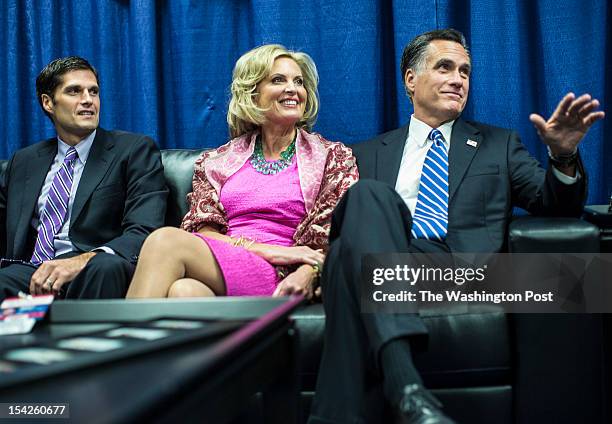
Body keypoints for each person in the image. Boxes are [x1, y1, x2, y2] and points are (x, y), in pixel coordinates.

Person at [308, 29, 604, 424]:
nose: (458, 79)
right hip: (395, 265)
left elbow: (556, 204)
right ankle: (407, 390)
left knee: (350, 258)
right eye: (444, 67)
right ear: (410, 80)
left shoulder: (498, 145)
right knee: (363, 209)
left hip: (467, 272)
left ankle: (362, 401)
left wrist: (563, 155)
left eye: (465, 71)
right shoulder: (363, 153)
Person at [126, 44, 358, 299]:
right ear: (252, 93)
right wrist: (266, 250)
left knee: (164, 242)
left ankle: (119, 338)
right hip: (230, 263)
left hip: (282, 272)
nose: (293, 89)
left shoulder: (331, 157)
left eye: (299, 81)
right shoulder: (218, 161)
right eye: (278, 80)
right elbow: (203, 232)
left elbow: (333, 235)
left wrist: (300, 265)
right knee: (184, 292)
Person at [0, 56, 168, 301]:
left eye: (94, 91)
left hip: (94, 265)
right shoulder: (24, 161)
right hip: (33, 270)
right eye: (74, 91)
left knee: (105, 268)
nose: (88, 100)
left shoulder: (133, 150)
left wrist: (81, 261)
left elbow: (145, 229)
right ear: (48, 102)